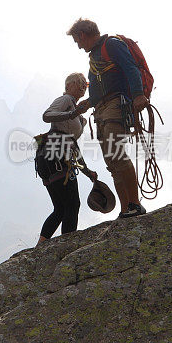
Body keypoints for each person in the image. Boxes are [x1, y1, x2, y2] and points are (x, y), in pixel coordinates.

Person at [67, 18, 148, 218]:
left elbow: (130, 68)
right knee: (111, 162)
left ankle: (135, 204)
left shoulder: (111, 44)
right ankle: (125, 208)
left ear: (82, 35)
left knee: (117, 154)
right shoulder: (95, 56)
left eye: (77, 41)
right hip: (102, 110)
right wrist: (88, 102)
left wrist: (138, 95)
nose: (78, 46)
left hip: (115, 106)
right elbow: (99, 87)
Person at [35, 72, 97, 246]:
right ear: (68, 86)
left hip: (51, 157)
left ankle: (40, 247)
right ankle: (67, 246)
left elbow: (73, 145)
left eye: (83, 84)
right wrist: (72, 113)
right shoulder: (66, 100)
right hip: (56, 157)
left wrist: (87, 171)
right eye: (78, 83)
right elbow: (47, 115)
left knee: (61, 208)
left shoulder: (77, 114)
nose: (82, 86)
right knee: (72, 204)